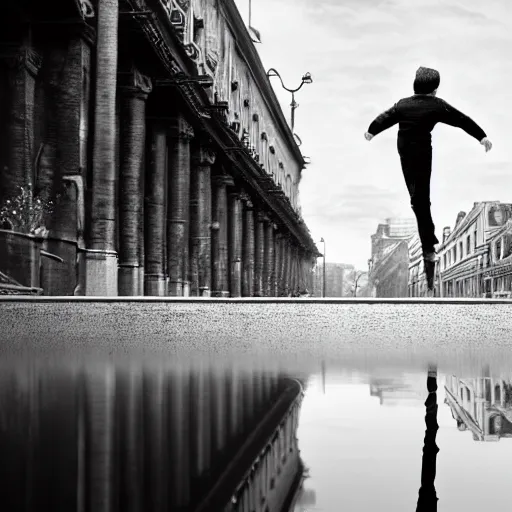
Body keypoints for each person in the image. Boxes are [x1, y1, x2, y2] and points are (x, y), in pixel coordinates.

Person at [364, 66, 492, 292]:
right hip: (422, 155)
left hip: (404, 152)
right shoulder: (436, 105)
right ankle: (429, 245)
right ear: (434, 89)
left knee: (417, 199)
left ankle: (429, 244)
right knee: (421, 199)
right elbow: (462, 119)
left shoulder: (402, 104)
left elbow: (385, 117)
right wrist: (481, 137)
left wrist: (371, 131)